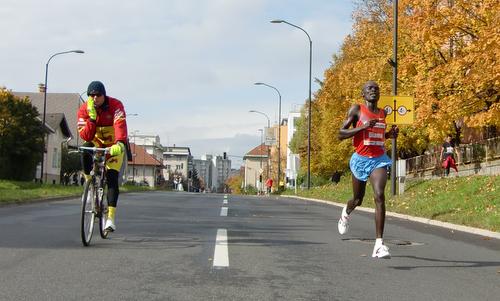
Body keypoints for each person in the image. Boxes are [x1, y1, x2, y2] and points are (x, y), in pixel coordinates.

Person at [337, 80, 399, 259]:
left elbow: (377, 135)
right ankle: (346, 213)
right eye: (370, 89)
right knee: (357, 199)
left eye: (377, 89)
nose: (374, 91)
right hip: (360, 160)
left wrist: (389, 135)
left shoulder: (383, 113)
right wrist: (363, 126)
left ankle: (379, 244)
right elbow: (340, 134)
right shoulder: (356, 110)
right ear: (363, 93)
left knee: (379, 195)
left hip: (378, 159)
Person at [77, 81, 128, 232]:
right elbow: (85, 135)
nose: (94, 98)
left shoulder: (115, 105)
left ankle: (111, 218)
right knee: (85, 149)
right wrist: (92, 118)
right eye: (91, 95)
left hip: (113, 146)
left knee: (112, 177)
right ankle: (88, 183)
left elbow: (120, 125)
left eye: (98, 95)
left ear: (104, 95)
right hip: (97, 143)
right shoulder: (84, 109)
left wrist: (119, 143)